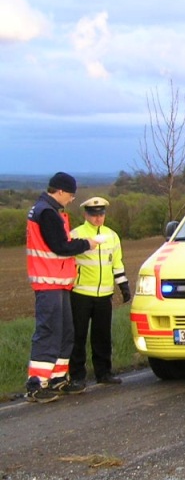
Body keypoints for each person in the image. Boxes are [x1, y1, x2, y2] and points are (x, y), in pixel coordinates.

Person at [25, 171, 99, 402]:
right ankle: (36, 384)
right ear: (60, 191)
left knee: (66, 331)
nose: (72, 199)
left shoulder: (48, 210)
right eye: (71, 195)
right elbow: (60, 246)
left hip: (58, 283)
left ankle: (57, 378)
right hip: (49, 282)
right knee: (49, 331)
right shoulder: (47, 213)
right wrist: (87, 243)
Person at [70, 196, 132, 386]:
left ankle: (104, 373)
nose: (98, 218)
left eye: (101, 214)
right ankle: (77, 376)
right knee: (78, 336)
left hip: (105, 294)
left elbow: (116, 262)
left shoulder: (112, 236)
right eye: (93, 214)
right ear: (85, 214)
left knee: (102, 335)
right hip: (80, 293)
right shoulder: (75, 234)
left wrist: (123, 285)